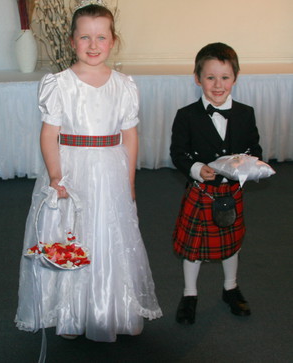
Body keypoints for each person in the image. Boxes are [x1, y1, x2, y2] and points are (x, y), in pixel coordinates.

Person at [15, 1, 162, 342]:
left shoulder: (124, 85)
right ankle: (70, 310)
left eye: (101, 37)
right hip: (71, 168)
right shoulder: (59, 84)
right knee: (71, 235)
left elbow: (130, 135)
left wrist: (129, 180)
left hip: (110, 168)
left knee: (110, 234)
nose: (93, 45)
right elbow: (49, 132)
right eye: (85, 37)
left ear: (113, 41)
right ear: (71, 41)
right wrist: (55, 174)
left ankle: (113, 308)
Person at [170, 42, 262, 324]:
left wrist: (246, 165)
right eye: (210, 77)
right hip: (202, 192)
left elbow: (255, 150)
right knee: (193, 248)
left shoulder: (246, 113)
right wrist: (197, 168)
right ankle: (189, 294)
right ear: (198, 78)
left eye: (224, 77)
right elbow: (178, 153)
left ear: (235, 78)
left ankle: (230, 288)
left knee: (231, 245)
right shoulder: (186, 115)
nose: (218, 85)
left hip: (231, 192)